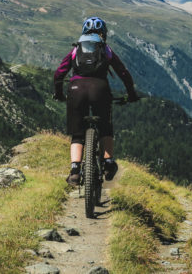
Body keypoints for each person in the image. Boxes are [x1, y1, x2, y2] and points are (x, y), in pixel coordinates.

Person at [53, 16, 139, 186]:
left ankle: (75, 170)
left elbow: (58, 74)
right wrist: (131, 94)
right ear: (103, 33)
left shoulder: (75, 50)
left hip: (76, 90)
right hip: (100, 90)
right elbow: (123, 72)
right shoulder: (105, 49)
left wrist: (59, 93)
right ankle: (108, 163)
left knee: (77, 134)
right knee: (105, 128)